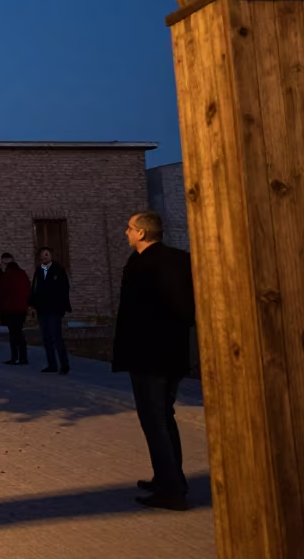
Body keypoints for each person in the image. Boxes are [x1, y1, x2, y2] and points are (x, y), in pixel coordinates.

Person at [115, 211, 195, 512]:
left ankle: (172, 490)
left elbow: (179, 308)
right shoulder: (168, 259)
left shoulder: (153, 264)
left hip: (152, 354)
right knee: (162, 418)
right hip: (163, 352)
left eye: (129, 228)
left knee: (156, 420)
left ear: (142, 233)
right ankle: (168, 478)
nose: (126, 232)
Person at [30, 247, 73, 374]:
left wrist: (61, 307)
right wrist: (32, 305)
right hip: (42, 309)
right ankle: (52, 365)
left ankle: (64, 365)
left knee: (57, 337)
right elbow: (34, 288)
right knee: (46, 338)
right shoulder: (38, 271)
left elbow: (64, 289)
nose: (45, 257)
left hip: (54, 309)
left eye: (47, 255)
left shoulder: (58, 270)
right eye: (42, 255)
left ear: (51, 256)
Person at [0, 253, 31, 365]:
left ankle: (17, 358)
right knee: (17, 333)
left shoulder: (8, 276)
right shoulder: (21, 274)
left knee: (15, 334)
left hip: (11, 309)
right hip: (20, 309)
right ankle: (20, 357)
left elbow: (1, 291)